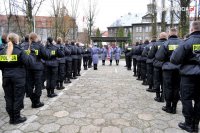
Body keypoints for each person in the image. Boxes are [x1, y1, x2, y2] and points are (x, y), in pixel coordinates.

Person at [171, 21, 200, 133]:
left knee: (186, 98)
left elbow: (174, 59)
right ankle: (196, 124)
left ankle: (188, 123)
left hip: (188, 75)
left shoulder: (186, 42)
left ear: (192, 29)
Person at [0, 33, 35, 124]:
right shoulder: (19, 51)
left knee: (8, 97)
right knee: (18, 97)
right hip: (18, 78)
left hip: (6, 78)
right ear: (16, 40)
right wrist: (30, 53)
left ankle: (12, 118)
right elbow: (30, 63)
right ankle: (16, 118)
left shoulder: (2, 51)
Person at [156, 28, 182, 114]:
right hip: (179, 69)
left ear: (169, 34)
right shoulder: (182, 43)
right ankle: (174, 107)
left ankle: (168, 106)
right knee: (176, 88)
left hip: (168, 69)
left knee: (168, 87)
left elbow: (159, 57)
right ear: (176, 34)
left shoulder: (165, 43)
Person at [22, 33, 49, 108]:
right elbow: (46, 56)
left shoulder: (23, 46)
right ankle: (37, 102)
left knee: (29, 85)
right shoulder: (39, 45)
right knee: (38, 84)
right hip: (38, 68)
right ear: (36, 38)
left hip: (28, 68)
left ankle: (33, 100)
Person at [148, 32, 168, 102]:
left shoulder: (155, 44)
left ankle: (158, 96)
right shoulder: (168, 43)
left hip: (157, 65)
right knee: (164, 81)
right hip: (166, 65)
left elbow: (150, 55)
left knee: (157, 80)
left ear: (159, 37)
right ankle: (163, 96)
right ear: (166, 37)